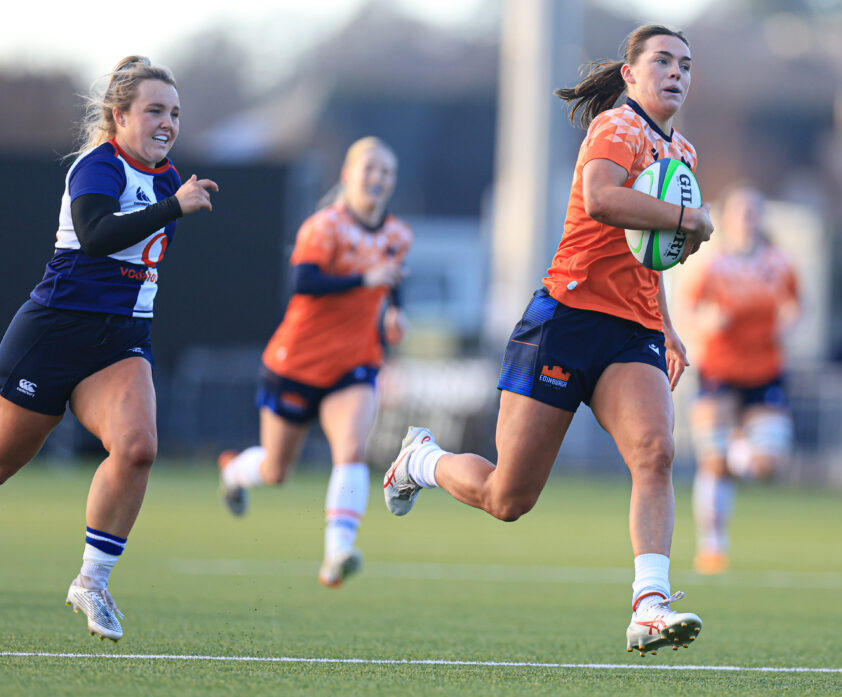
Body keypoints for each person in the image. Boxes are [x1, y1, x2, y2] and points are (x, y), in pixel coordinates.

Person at [382, 24, 713, 657]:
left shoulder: (686, 155)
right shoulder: (617, 128)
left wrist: (667, 325)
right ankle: (421, 460)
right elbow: (602, 200)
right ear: (631, 74)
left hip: (633, 330)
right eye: (663, 61)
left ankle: (650, 604)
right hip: (565, 321)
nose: (677, 72)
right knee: (509, 497)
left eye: (686, 65)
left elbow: (651, 256)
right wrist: (685, 217)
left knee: (656, 450)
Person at [0, 56, 218, 641]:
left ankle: (92, 582)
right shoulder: (99, 166)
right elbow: (95, 237)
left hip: (120, 342)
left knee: (139, 447)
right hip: (54, 335)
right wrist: (174, 207)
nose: (167, 122)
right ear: (119, 116)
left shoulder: (170, 177)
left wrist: (173, 200)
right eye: (153, 110)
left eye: (174, 112)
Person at [217, 137, 410, 588]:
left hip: (355, 363)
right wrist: (365, 279)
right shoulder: (325, 227)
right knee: (275, 471)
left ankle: (337, 553)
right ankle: (233, 472)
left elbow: (393, 277)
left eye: (387, 172)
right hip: (296, 364)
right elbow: (304, 280)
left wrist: (396, 309)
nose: (378, 178)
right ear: (347, 175)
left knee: (352, 451)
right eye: (370, 169)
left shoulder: (399, 234)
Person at [677, 185, 800, 575]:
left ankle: (738, 447)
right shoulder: (712, 265)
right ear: (727, 219)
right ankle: (712, 546)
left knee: (768, 466)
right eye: (741, 212)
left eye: (753, 212)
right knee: (712, 464)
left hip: (765, 370)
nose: (747, 219)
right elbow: (688, 308)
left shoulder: (779, 263)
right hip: (720, 369)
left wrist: (788, 322)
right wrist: (706, 322)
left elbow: (796, 302)